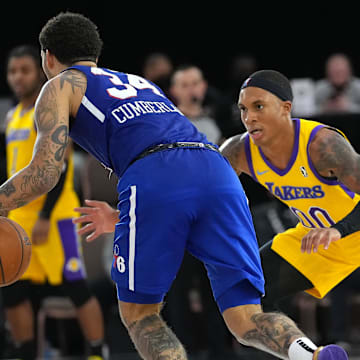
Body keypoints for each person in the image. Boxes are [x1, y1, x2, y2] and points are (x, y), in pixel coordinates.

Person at [0, 12, 347, 360]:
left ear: (47, 56)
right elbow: (180, 168)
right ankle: (312, 354)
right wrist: (127, 217)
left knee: (141, 314)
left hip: (155, 172)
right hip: (216, 170)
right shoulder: (137, 82)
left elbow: (45, 172)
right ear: (95, 54)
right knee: (246, 317)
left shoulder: (60, 85)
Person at [220, 68, 360, 349]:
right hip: (315, 238)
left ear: (286, 108)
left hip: (350, 230)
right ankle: (307, 355)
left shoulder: (323, 145)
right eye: (244, 109)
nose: (249, 117)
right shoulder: (239, 151)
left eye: (259, 106)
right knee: (245, 293)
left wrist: (338, 229)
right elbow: (198, 191)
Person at [1, 44, 106, 360]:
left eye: (25, 70)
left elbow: (58, 169)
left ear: (39, 71)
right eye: (12, 71)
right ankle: (24, 352)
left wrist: (46, 215)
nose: (18, 77)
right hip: (20, 219)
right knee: (13, 290)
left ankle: (98, 352)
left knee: (76, 288)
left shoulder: (50, 109)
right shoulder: (13, 115)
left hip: (56, 216)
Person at [170, 65, 223, 144]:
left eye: (195, 83)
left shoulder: (216, 116)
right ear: (174, 90)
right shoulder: (171, 122)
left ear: (204, 85)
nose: (191, 89)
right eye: (184, 85)